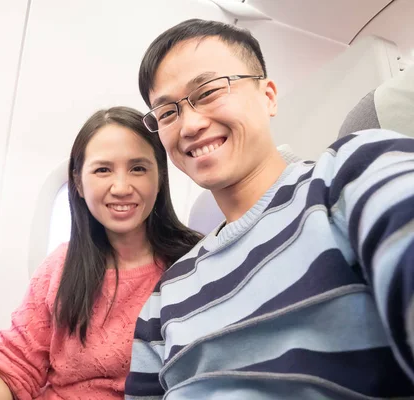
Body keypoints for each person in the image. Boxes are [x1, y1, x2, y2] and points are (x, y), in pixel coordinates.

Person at [125, 19, 414, 399]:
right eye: (167, 113)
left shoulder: (349, 175)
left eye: (209, 91)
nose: (190, 124)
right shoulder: (166, 295)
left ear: (269, 96)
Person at [0, 106, 202, 400]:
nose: (122, 187)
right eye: (103, 170)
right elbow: (14, 364)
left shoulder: (194, 266)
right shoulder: (61, 266)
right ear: (78, 181)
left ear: (160, 176)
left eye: (138, 168)